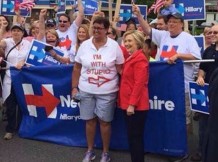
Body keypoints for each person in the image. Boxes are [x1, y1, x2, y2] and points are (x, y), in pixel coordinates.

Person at [133, 4, 201, 160]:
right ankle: (163, 146)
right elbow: (147, 29)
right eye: (169, 21)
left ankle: (183, 148)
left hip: (180, 87)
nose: (171, 24)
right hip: (162, 86)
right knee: (162, 116)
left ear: (181, 24)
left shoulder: (188, 38)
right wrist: (138, 15)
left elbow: (196, 57)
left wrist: (178, 55)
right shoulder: (163, 36)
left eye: (175, 22)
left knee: (182, 119)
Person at [71, 17, 124, 162]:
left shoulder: (114, 46)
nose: (96, 30)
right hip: (86, 90)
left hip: (107, 92)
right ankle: (90, 150)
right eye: (94, 27)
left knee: (105, 122)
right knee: (89, 121)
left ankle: (105, 153)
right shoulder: (85, 45)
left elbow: (121, 69)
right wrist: (74, 87)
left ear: (107, 30)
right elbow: (77, 67)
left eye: (99, 28)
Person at [119, 30, 149, 162]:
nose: (127, 43)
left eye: (130, 40)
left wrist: (131, 105)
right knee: (132, 137)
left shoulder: (140, 58)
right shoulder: (131, 57)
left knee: (135, 138)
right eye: (125, 41)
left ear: (138, 42)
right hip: (128, 103)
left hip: (136, 106)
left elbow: (139, 84)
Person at [193, 25, 218, 162]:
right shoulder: (208, 50)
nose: (212, 34)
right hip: (205, 92)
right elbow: (202, 68)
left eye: (216, 32)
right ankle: (201, 151)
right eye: (210, 32)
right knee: (203, 124)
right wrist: (200, 77)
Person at [0, 24, 31, 140]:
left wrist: (23, 61)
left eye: (18, 31)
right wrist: (2, 29)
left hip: (24, 77)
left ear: (23, 33)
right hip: (10, 76)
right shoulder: (7, 42)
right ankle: (10, 129)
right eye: (14, 31)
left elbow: (31, 57)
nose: (16, 33)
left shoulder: (27, 44)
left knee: (23, 103)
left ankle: (23, 126)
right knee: (11, 104)